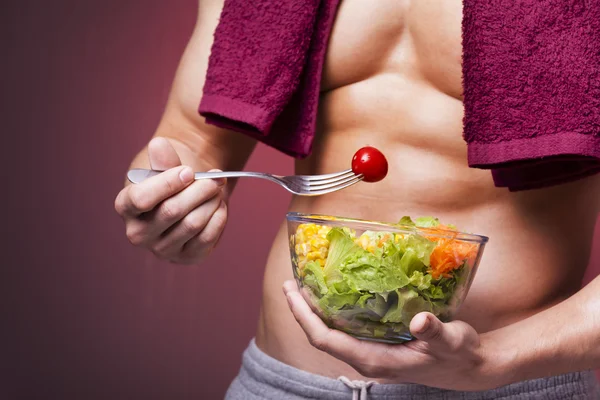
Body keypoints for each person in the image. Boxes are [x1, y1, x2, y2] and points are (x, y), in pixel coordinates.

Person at [114, 0, 600, 398]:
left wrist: (493, 362)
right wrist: (169, 202)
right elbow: (192, 138)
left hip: (510, 388)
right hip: (284, 384)